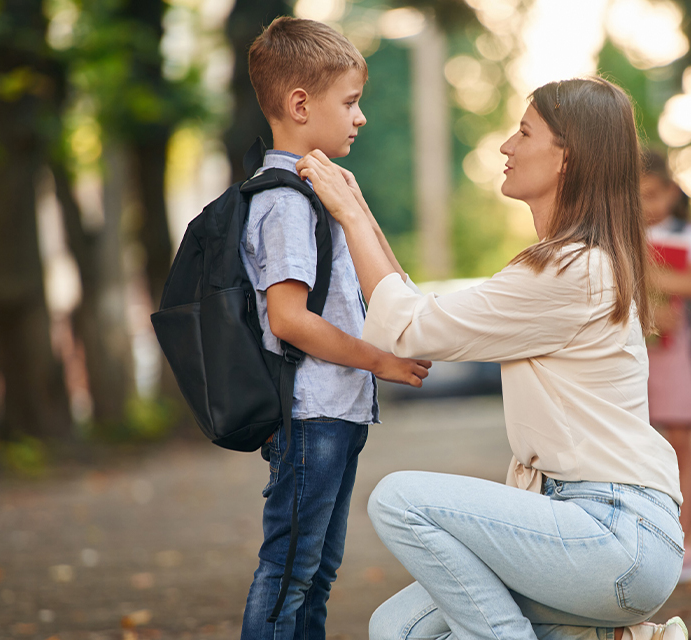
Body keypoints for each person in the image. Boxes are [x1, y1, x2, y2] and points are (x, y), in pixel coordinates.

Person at [297, 77, 688, 640]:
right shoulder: (574, 263)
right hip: (592, 531)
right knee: (398, 629)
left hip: (613, 535)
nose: (506, 147)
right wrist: (356, 207)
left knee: (400, 499)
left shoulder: (567, 271)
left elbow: (409, 327)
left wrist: (351, 217)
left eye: (524, 133)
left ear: (566, 159)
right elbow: (414, 306)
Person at [237, 16, 431, 640]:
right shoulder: (285, 202)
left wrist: (358, 209)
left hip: (337, 412)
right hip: (312, 414)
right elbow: (288, 319)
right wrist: (379, 361)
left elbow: (393, 285)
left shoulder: (322, 193)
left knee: (315, 573)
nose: (360, 117)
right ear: (300, 104)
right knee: (289, 570)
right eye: (350, 102)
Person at [639, 150, 691, 583]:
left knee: (681, 437)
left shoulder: (687, 234)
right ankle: (649, 538)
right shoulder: (623, 232)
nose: (647, 206)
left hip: (673, 350)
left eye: (653, 194)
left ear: (670, 191)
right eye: (638, 197)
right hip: (633, 351)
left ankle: (686, 539)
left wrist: (647, 275)